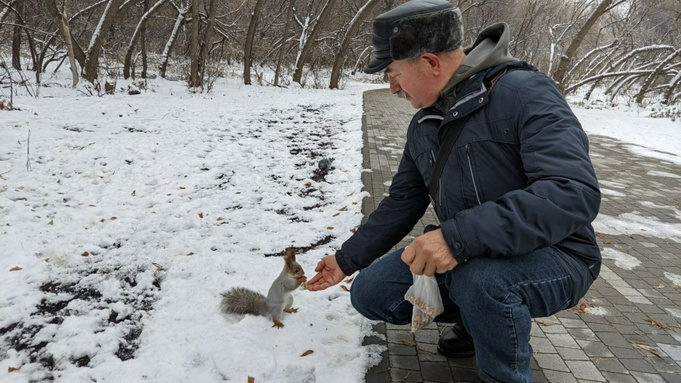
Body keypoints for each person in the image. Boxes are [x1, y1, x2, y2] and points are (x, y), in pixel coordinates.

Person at [307, 0, 601, 381]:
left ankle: (504, 371)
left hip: (558, 256)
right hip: (473, 250)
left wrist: (454, 237)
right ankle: (479, 320)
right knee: (371, 293)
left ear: (430, 63)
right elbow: (402, 202)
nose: (391, 87)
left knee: (480, 281)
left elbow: (571, 192)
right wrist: (346, 260)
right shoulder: (424, 124)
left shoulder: (525, 93)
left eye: (394, 73)